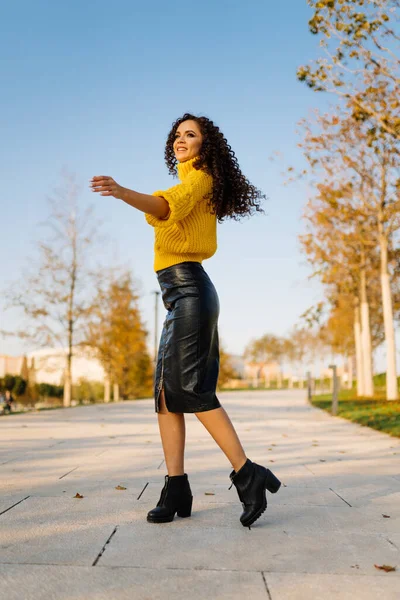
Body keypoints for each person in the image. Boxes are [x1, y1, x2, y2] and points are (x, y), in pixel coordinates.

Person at [90, 113, 281, 528]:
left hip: (190, 290)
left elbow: (164, 207)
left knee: (191, 390)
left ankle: (249, 474)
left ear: (205, 145)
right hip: (178, 294)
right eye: (177, 134)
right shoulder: (187, 182)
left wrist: (122, 192)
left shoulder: (200, 180)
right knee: (164, 393)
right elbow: (165, 204)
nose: (180, 140)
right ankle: (176, 486)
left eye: (190, 135)